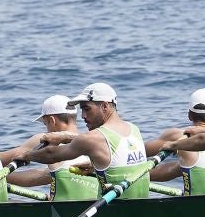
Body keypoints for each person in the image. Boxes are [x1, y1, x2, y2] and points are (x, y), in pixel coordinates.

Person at [23, 82, 151, 198]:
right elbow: (112, 154)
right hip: (139, 208)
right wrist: (66, 137)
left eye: (87, 109)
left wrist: (26, 156)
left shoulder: (92, 139)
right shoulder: (134, 129)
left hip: (113, 215)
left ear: (104, 106)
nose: (83, 115)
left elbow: (50, 155)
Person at [0, 95, 100, 201]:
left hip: (62, 212)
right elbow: (37, 177)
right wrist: (2, 178)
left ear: (52, 120)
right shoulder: (91, 145)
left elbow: (3, 158)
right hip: (93, 208)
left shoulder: (47, 139)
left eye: (45, 123)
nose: (46, 128)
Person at [146, 89, 205, 195]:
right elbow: (176, 169)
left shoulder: (181, 136)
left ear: (189, 115)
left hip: (193, 208)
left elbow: (141, 151)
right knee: (183, 167)